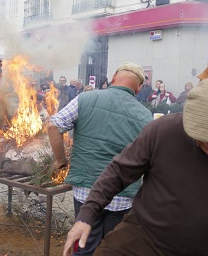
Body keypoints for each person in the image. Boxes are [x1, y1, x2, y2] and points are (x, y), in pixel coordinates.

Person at [62, 71, 208, 255]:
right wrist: (86, 216)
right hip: (143, 237)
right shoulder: (164, 131)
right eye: (200, 135)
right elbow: (119, 171)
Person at [48, 62, 152, 255]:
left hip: (87, 192)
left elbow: (54, 126)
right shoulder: (146, 116)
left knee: (84, 246)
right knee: (111, 248)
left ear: (113, 77)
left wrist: (60, 161)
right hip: (123, 195)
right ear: (138, 88)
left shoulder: (85, 98)